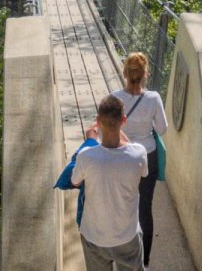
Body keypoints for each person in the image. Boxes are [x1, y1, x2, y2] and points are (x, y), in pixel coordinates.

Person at [69, 94, 147, 271]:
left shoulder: (86, 156)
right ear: (124, 120)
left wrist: (90, 140)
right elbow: (143, 171)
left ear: (98, 121)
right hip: (127, 236)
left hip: (94, 238)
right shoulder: (139, 154)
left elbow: (74, 182)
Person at [111, 53, 167, 269]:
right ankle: (144, 263)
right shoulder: (153, 98)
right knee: (144, 208)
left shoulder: (114, 98)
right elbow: (162, 129)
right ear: (145, 74)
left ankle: (122, 259)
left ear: (125, 73)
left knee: (121, 206)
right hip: (147, 156)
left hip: (121, 157)